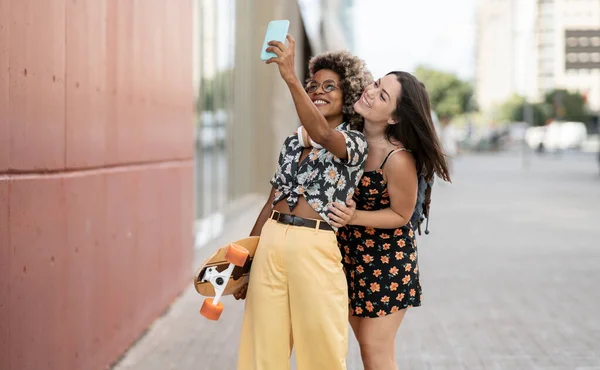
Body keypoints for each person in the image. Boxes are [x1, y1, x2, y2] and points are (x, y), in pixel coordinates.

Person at [235, 35, 372, 370]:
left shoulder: (354, 143)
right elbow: (272, 202)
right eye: (313, 85)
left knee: (321, 349)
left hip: (315, 245)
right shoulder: (292, 143)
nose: (318, 91)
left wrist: (290, 76)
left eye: (329, 87)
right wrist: (247, 260)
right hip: (271, 242)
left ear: (349, 95)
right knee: (261, 347)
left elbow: (325, 135)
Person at [312, 71, 451, 370]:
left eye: (383, 95)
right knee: (366, 348)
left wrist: (353, 216)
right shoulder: (351, 138)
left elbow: (402, 215)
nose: (371, 92)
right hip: (349, 258)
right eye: (376, 84)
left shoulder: (397, 158)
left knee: (376, 353)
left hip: (386, 263)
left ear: (393, 118)